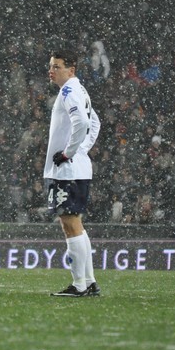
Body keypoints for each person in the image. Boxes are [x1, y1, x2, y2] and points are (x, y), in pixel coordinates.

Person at [45, 49, 101, 297]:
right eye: (51, 66)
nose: (52, 70)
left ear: (71, 70)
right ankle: (89, 281)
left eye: (57, 66)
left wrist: (69, 153)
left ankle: (80, 285)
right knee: (76, 223)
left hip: (67, 171)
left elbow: (83, 123)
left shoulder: (69, 91)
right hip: (76, 168)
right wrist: (81, 149)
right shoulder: (79, 90)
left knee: (70, 223)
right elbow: (95, 122)